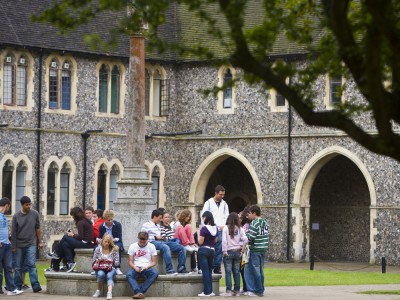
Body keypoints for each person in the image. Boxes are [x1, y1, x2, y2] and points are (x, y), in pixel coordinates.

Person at [47, 206, 94, 272]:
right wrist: (73, 235)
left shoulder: (80, 222)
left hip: (86, 244)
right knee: (65, 244)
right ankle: (70, 263)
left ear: (76, 215)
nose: (73, 217)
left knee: (66, 236)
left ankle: (56, 253)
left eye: (73, 216)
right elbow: (83, 235)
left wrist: (72, 235)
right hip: (87, 243)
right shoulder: (84, 221)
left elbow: (81, 237)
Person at [141, 209, 188, 274]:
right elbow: (142, 237)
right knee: (165, 247)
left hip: (162, 241)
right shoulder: (146, 225)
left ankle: (181, 268)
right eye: (160, 218)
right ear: (155, 217)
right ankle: (169, 269)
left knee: (181, 248)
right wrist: (155, 237)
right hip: (152, 242)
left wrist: (163, 237)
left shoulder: (158, 226)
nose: (160, 220)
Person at [11, 196, 42, 293]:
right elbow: (14, 232)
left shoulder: (35, 214)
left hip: (31, 243)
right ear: (22, 205)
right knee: (18, 267)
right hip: (19, 244)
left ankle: (36, 285)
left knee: (32, 264)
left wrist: (40, 241)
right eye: (26, 205)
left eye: (30, 204)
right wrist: (14, 246)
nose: (29, 206)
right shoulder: (16, 216)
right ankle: (17, 286)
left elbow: (38, 228)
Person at [201, 185, 229, 274]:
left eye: (223, 195)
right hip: (211, 229)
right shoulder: (208, 203)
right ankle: (211, 266)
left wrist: (224, 226)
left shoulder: (224, 204)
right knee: (211, 248)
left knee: (220, 248)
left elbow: (226, 216)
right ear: (216, 193)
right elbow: (204, 216)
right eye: (220, 194)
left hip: (221, 229)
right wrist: (207, 227)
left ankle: (216, 266)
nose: (222, 196)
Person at [244, 205, 269, 297]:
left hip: (255, 249)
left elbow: (251, 237)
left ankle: (259, 290)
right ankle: (261, 288)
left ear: (254, 213)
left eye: (249, 213)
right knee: (261, 270)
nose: (249, 215)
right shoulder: (265, 222)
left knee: (256, 270)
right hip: (263, 249)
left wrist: (245, 232)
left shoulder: (255, 223)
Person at [0, 198, 23, 296]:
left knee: (8, 268)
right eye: (9, 206)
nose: (9, 208)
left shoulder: (3, 216)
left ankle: (11, 289)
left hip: (6, 245)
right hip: (1, 245)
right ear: (7, 205)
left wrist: (9, 241)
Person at [221, 212, 247, 296]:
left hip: (228, 251)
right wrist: (242, 251)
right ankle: (237, 290)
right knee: (236, 272)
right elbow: (245, 240)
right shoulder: (240, 229)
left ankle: (228, 290)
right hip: (237, 252)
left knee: (228, 272)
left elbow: (224, 241)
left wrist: (224, 252)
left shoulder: (225, 228)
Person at [126, 231, 158, 299]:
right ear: (138, 239)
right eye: (141, 242)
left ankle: (139, 292)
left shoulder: (151, 246)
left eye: (144, 242)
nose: (142, 244)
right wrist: (135, 267)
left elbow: (154, 262)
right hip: (136, 267)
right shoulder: (132, 246)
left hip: (147, 268)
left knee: (155, 273)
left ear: (147, 240)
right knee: (129, 274)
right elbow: (130, 262)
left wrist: (146, 267)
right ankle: (140, 293)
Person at [92, 234, 119, 300]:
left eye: (109, 242)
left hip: (111, 268)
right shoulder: (98, 249)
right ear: (102, 241)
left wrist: (110, 261)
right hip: (100, 267)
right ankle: (98, 291)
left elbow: (117, 263)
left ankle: (109, 293)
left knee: (109, 275)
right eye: (105, 241)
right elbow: (93, 261)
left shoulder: (114, 249)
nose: (107, 243)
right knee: (101, 274)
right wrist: (100, 260)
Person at [197, 211, 218, 297]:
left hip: (204, 250)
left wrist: (198, 233)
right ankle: (210, 291)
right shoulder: (215, 228)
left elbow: (200, 242)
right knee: (209, 271)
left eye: (203, 217)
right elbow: (216, 240)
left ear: (205, 217)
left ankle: (206, 292)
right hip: (212, 250)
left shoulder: (204, 228)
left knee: (205, 271)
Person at [98, 210, 124, 275]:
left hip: (116, 242)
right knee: (96, 248)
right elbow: (99, 237)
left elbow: (119, 238)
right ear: (104, 219)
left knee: (117, 248)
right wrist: (100, 240)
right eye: (108, 220)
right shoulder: (101, 226)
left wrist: (111, 240)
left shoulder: (117, 225)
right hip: (105, 242)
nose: (110, 221)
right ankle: (97, 266)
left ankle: (117, 267)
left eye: (111, 219)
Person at [239, 206, 252, 294]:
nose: (239, 219)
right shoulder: (247, 225)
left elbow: (244, 240)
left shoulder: (245, 226)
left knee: (243, 269)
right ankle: (246, 287)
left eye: (240, 217)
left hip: (245, 251)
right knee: (243, 269)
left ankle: (246, 287)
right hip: (246, 250)